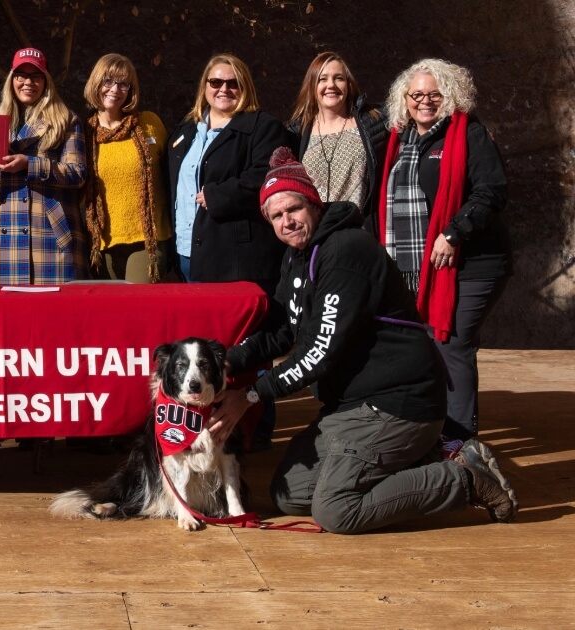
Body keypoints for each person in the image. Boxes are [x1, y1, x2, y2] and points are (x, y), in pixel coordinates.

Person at [210, 149, 518, 534]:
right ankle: (422, 457)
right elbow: (285, 332)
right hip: (352, 405)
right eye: (276, 216)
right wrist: (225, 362)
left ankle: (465, 478)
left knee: (336, 510)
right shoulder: (297, 258)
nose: (287, 221)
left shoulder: (345, 251)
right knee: (290, 494)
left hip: (397, 401)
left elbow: (319, 353)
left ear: (314, 204)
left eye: (294, 209)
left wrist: (251, 395)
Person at [376, 59, 510, 447]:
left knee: (451, 342)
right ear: (405, 98)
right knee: (430, 343)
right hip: (418, 266)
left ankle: (458, 441)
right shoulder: (398, 140)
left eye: (434, 94)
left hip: (473, 261)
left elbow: (492, 191)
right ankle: (432, 430)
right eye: (416, 94)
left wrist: (453, 233)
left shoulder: (469, 134)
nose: (425, 101)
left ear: (450, 96)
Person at [165, 53, 291, 291]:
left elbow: (267, 177)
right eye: (216, 82)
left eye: (234, 84)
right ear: (204, 86)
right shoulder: (186, 129)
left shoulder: (263, 128)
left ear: (245, 88)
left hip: (233, 258)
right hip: (186, 252)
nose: (224, 89)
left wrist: (218, 195)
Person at [0, 47, 87, 286]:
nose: (28, 82)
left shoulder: (66, 120)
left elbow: (78, 174)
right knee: (3, 316)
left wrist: (31, 164)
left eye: (35, 76)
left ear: (46, 80)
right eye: (21, 76)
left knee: (56, 317)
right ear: (12, 80)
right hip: (3, 231)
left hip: (49, 232)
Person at [81, 53, 168, 284]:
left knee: (138, 310)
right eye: (108, 81)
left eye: (123, 84)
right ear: (95, 84)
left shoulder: (149, 124)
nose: (115, 89)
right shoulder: (82, 133)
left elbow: (173, 174)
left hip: (147, 242)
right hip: (101, 246)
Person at [287, 52, 388, 234]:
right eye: (322, 79)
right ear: (312, 86)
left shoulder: (375, 120)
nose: (331, 85)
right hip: (313, 235)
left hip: (359, 232)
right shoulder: (296, 133)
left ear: (349, 84)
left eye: (338, 78)